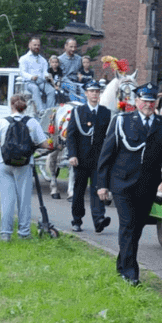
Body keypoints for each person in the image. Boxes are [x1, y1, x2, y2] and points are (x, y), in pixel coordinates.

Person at [97, 84, 162, 285]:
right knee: (127, 225)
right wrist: (102, 184)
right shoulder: (121, 121)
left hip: (148, 185)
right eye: (144, 101)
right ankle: (130, 274)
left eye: (152, 101)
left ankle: (122, 263)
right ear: (136, 102)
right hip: (122, 184)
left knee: (136, 228)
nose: (148, 105)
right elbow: (106, 155)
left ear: (156, 103)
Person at [0, 94, 47, 240]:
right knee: (24, 199)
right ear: (25, 106)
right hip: (25, 164)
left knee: (7, 200)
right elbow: (44, 144)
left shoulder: (2, 122)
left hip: (4, 163)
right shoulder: (32, 122)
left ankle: (5, 234)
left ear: (11, 105)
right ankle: (24, 233)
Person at [66, 80, 112, 234]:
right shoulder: (78, 112)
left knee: (98, 188)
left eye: (97, 91)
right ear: (86, 93)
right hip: (81, 158)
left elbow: (108, 136)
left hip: (98, 159)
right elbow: (71, 135)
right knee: (79, 190)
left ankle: (99, 219)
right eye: (91, 91)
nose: (94, 94)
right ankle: (77, 220)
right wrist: (72, 154)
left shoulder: (105, 112)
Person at [19, 37, 55, 110]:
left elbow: (44, 71)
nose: (37, 47)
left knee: (52, 90)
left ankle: (49, 111)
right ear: (29, 45)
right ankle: (40, 111)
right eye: (35, 45)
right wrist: (31, 77)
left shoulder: (43, 60)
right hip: (29, 83)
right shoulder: (24, 58)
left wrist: (47, 76)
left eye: (38, 45)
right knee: (35, 89)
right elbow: (22, 72)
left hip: (41, 82)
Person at [56, 38, 84, 103]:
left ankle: (85, 109)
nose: (73, 49)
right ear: (66, 46)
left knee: (85, 91)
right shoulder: (60, 60)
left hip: (76, 82)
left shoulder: (79, 59)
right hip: (64, 82)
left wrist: (80, 75)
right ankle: (75, 106)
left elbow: (80, 71)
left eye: (75, 47)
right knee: (72, 87)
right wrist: (72, 83)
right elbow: (61, 76)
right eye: (71, 47)